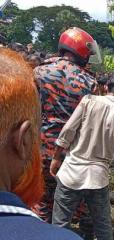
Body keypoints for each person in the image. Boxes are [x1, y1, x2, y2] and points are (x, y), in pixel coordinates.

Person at [0, 48, 81, 239]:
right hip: (65, 153)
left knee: (43, 202)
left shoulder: (41, 71)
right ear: (24, 140)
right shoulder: (88, 80)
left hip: (44, 148)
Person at [50, 72, 114, 239]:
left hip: (71, 172)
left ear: (105, 87)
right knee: (103, 227)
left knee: (60, 225)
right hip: (98, 178)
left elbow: (68, 131)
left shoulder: (89, 101)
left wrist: (56, 157)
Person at [33, 27, 99, 230]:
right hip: (70, 154)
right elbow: (89, 125)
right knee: (64, 204)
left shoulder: (39, 72)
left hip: (39, 150)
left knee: (40, 199)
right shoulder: (90, 82)